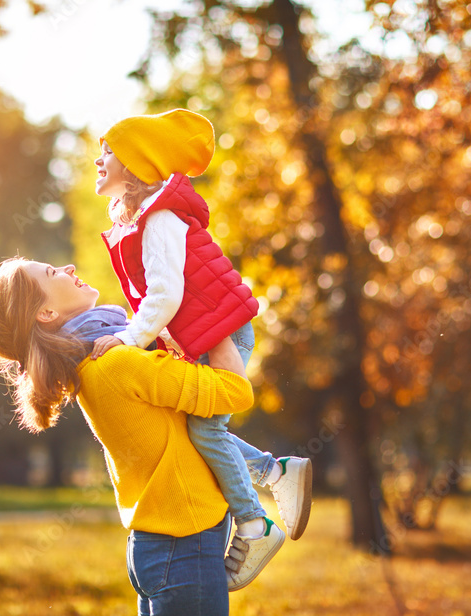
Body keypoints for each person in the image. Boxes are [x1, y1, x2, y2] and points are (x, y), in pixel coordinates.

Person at [90, 109, 311, 590]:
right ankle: (277, 472)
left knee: (206, 433)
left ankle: (254, 526)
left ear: (136, 163)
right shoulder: (145, 217)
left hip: (221, 336)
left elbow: (166, 295)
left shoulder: (160, 216)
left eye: (108, 151)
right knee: (199, 431)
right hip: (206, 336)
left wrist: (129, 339)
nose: (98, 159)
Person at [0, 257, 254, 615]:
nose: (70, 268)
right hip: (185, 545)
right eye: (52, 273)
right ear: (45, 313)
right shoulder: (115, 363)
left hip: (160, 546)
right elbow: (234, 391)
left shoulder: (91, 364)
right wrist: (215, 325)